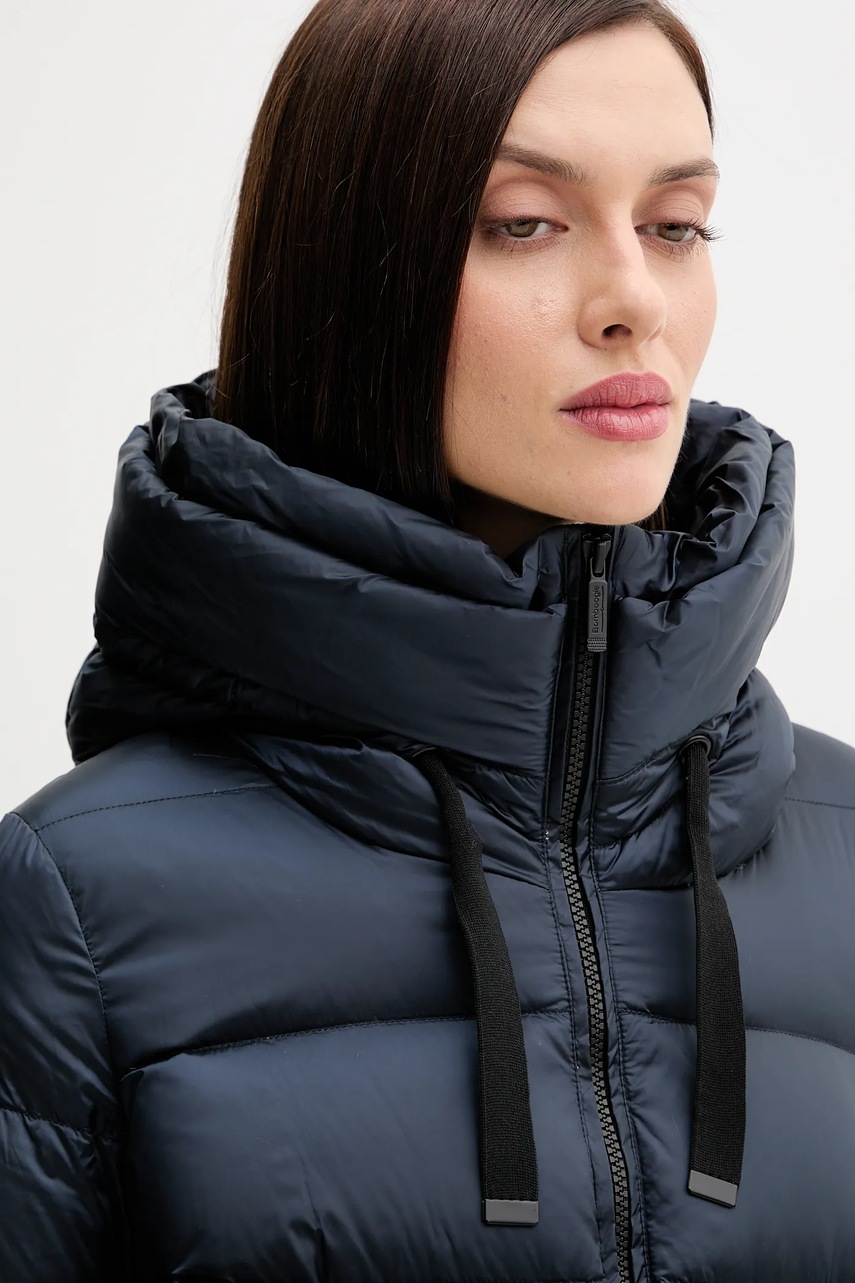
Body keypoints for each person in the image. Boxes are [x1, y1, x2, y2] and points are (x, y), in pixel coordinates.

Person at [2, 0, 854, 1279]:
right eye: (525, 222)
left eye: (675, 224)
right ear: (351, 272)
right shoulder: (76, 900)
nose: (634, 299)